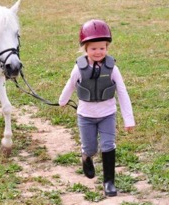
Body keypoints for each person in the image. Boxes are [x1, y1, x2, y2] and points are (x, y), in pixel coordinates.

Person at [58, 19, 135, 197]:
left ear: (107, 47)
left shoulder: (113, 68)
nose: (98, 52)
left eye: (102, 48)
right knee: (90, 148)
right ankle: (86, 157)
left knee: (108, 145)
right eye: (93, 48)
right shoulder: (78, 68)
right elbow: (70, 85)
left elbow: (122, 93)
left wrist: (128, 119)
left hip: (108, 114)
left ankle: (109, 182)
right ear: (85, 48)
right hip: (85, 116)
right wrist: (62, 101)